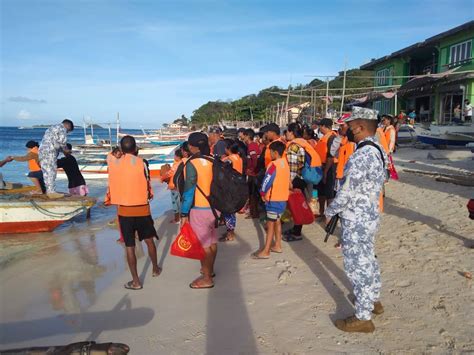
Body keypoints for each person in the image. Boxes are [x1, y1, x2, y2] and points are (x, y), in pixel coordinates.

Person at [325, 107, 386, 333]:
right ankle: (373, 299)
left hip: (357, 216)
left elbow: (348, 190)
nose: (346, 130)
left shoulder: (361, 154)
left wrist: (331, 210)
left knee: (357, 265)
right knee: (368, 258)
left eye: (349, 127)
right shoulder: (377, 148)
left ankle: (363, 316)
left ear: (360, 128)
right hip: (369, 212)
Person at [106, 135, 161, 290]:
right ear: (136, 148)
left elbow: (110, 155)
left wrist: (118, 152)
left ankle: (136, 281)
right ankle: (155, 269)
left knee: (129, 246)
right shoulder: (142, 163)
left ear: (122, 149)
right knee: (149, 241)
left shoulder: (114, 162)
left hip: (124, 211)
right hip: (143, 208)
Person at [180, 132, 217, 289]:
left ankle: (207, 278)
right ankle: (210, 269)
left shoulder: (191, 163)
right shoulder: (213, 160)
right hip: (215, 207)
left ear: (192, 146)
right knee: (212, 240)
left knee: (203, 244)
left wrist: (183, 212)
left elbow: (189, 190)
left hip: (199, 208)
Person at [252, 141, 290, 259]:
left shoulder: (274, 165)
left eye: (270, 152)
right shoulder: (285, 163)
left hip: (273, 199)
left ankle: (266, 250)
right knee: (277, 221)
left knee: (270, 224)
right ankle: (277, 245)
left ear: (275, 152)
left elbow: (267, 180)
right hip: (283, 198)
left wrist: (262, 193)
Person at [283, 122, 307, 242]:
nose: (286, 134)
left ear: (292, 132)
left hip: (295, 180)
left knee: (296, 207)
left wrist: (289, 183)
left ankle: (297, 233)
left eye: (287, 131)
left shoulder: (293, 147)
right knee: (298, 205)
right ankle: (295, 229)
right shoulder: (302, 144)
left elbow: (292, 167)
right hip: (301, 178)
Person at [38, 119, 74, 198]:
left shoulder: (51, 128)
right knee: (51, 171)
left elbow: (55, 142)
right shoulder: (62, 129)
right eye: (68, 131)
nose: (67, 132)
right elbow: (62, 142)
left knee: (46, 172)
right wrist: (66, 150)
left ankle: (49, 190)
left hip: (42, 151)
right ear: (68, 125)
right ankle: (51, 192)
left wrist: (62, 149)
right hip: (50, 152)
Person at [220, 139, 244, 242]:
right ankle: (230, 231)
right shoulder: (239, 158)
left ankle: (230, 233)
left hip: (229, 187)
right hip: (237, 186)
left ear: (228, 149)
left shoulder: (228, 159)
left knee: (228, 211)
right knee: (232, 211)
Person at [314, 118, 337, 217]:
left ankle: (329, 215)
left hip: (329, 167)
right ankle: (322, 211)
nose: (319, 128)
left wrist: (326, 171)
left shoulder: (331, 138)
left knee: (329, 192)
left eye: (320, 126)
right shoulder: (324, 137)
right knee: (321, 191)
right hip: (322, 166)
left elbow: (330, 157)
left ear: (324, 126)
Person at [242, 128, 261, 219]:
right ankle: (253, 211)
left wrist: (252, 170)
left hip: (253, 174)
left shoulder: (252, 146)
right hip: (253, 173)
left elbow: (255, 159)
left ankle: (254, 213)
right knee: (252, 194)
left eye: (244, 136)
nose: (243, 138)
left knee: (252, 194)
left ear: (248, 136)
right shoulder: (253, 145)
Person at [161, 149, 183, 224]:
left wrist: (162, 178)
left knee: (175, 203)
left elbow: (170, 173)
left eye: (175, 155)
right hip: (180, 186)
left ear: (178, 156)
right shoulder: (182, 163)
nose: (174, 157)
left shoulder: (176, 165)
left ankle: (177, 219)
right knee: (180, 202)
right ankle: (181, 217)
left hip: (174, 187)